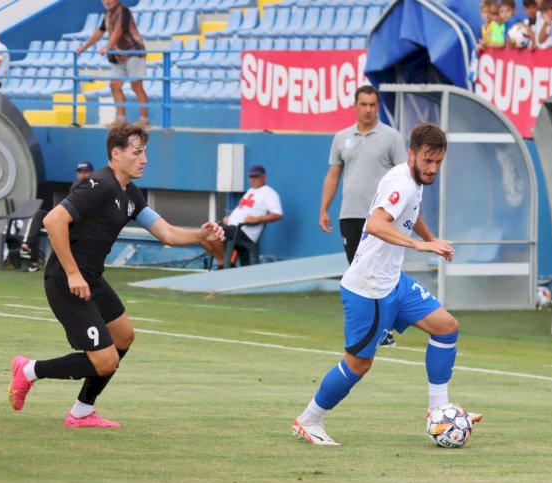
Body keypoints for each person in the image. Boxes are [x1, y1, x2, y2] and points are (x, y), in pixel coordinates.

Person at [8, 122, 224, 427]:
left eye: (145, 152)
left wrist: (202, 235)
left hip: (92, 278)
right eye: (137, 152)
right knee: (105, 360)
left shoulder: (130, 193)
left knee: (124, 336)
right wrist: (72, 273)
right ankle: (29, 370)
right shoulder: (99, 185)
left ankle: (81, 412)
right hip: (66, 281)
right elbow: (54, 220)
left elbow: (168, 234)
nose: (144, 159)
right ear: (116, 153)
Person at [292, 123, 482, 446]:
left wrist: (430, 238)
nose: (433, 168)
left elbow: (411, 211)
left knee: (446, 328)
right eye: (427, 161)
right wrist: (420, 247)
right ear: (412, 154)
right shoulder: (402, 183)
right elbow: (377, 224)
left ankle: (439, 410)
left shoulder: (413, 179)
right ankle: (309, 420)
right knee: (358, 364)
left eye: (438, 162)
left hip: (393, 282)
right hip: (369, 289)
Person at [320, 84, 407, 347]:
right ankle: (373, 329)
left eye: (373, 105)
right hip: (351, 215)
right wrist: (324, 208)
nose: (368, 110)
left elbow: (404, 176)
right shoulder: (342, 137)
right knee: (357, 271)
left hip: (382, 218)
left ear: (377, 106)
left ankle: (385, 328)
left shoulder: (391, 137)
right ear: (355, 105)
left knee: (381, 271)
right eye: (364, 104)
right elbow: (333, 174)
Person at [75, 0, 150, 128]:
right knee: (114, 85)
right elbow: (99, 32)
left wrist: (108, 46)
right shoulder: (108, 14)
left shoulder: (123, 10)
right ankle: (121, 121)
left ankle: (144, 121)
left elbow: (118, 31)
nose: (107, 1)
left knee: (136, 86)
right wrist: (84, 47)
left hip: (133, 51)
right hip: (119, 54)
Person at [200, 164, 283, 269]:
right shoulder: (251, 191)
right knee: (204, 231)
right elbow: (243, 210)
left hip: (245, 232)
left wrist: (257, 219)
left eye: (256, 176)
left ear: (264, 177)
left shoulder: (269, 193)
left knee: (215, 232)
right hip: (233, 227)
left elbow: (278, 215)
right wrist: (229, 218)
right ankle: (224, 262)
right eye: (251, 177)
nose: (253, 179)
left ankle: (224, 264)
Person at [19, 161, 95, 272]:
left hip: (80, 219)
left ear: (91, 173)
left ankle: (29, 252)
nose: (82, 174)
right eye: (80, 172)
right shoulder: (75, 186)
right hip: (67, 215)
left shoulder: (95, 187)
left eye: (85, 172)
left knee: (52, 221)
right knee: (40, 215)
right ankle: (28, 248)